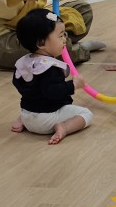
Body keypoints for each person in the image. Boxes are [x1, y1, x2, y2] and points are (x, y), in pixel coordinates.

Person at [10, 8, 93, 145]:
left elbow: (19, 84)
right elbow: (54, 92)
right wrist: (73, 85)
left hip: (27, 116)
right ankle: (64, 127)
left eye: (64, 35)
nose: (65, 40)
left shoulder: (24, 62)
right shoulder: (49, 68)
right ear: (41, 43)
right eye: (60, 36)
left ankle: (23, 119)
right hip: (46, 121)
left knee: (34, 100)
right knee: (86, 113)